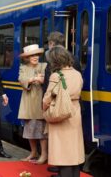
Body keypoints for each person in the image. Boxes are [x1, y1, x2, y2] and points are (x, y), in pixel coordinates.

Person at [43, 46, 84, 177]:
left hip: (60, 114)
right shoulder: (77, 74)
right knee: (73, 152)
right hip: (75, 112)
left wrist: (45, 109)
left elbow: (47, 99)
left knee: (63, 154)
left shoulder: (56, 75)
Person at [18, 44, 48, 164]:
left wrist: (31, 79)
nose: (35, 57)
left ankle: (44, 155)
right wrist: (35, 78)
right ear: (27, 58)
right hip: (29, 102)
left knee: (41, 131)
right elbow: (21, 80)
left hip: (41, 101)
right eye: (32, 55)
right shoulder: (23, 67)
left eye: (36, 55)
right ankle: (33, 152)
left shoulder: (44, 66)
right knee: (30, 129)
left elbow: (45, 79)